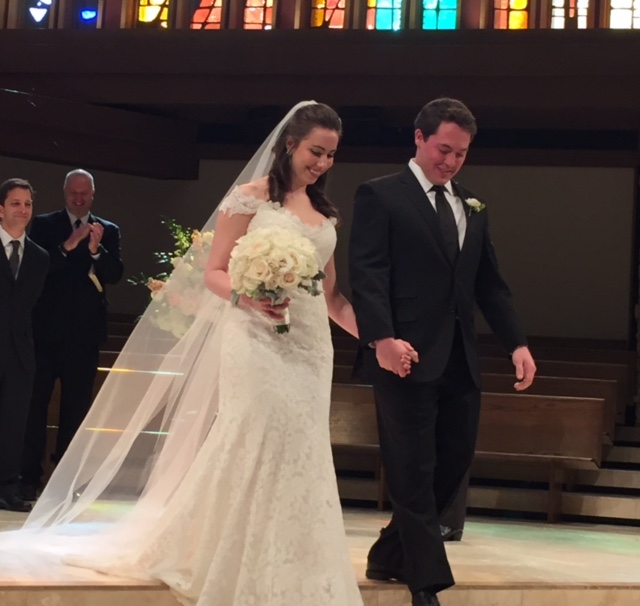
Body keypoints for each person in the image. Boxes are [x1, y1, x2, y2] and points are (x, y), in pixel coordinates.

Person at [0, 102, 376, 606]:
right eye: (316, 151)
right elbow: (215, 271)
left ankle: (291, 556)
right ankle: (228, 551)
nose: (323, 163)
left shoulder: (325, 212)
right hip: (255, 338)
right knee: (253, 435)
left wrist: (377, 339)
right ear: (290, 144)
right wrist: (250, 297)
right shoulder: (248, 198)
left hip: (311, 348)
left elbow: (330, 296)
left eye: (331, 155)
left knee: (302, 445)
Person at [348, 97, 537, 606]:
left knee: (453, 461)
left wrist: (516, 343)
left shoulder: (472, 205)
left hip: (458, 357)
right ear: (419, 138)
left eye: (461, 154)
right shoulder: (380, 195)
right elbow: (368, 274)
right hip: (402, 355)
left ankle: (389, 553)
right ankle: (426, 582)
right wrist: (381, 339)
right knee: (412, 467)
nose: (451, 161)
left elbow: (489, 284)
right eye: (443, 150)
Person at [19, 169, 124, 500]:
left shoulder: (107, 230)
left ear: (92, 194)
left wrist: (95, 250)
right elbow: (37, 268)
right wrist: (69, 245)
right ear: (65, 193)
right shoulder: (45, 225)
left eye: (84, 193)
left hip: (84, 336)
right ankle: (28, 478)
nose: (79, 199)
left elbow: (115, 274)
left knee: (76, 411)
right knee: (35, 408)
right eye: (73, 193)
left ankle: (64, 483)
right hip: (45, 334)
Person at [0, 179, 49, 512]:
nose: (23, 209)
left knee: (14, 422)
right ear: (1, 209)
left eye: (28, 204)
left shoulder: (39, 257)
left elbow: (31, 305)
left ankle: (7, 488)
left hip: (19, 352)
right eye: (16, 203)